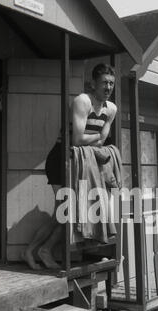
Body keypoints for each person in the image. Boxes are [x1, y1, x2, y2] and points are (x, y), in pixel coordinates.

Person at [22, 63, 117, 270]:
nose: (108, 87)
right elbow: (77, 138)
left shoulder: (111, 109)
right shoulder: (83, 101)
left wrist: (91, 139)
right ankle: (31, 251)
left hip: (81, 162)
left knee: (69, 213)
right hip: (61, 159)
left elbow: (99, 140)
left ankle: (44, 250)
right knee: (63, 210)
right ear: (93, 84)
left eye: (111, 83)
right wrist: (96, 138)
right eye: (104, 83)